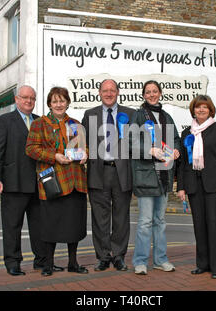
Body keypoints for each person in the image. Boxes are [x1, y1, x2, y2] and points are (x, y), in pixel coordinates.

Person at [25, 87, 89, 276]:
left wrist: (85, 154)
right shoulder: (39, 124)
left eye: (62, 101)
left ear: (67, 102)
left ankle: (73, 263)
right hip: (53, 181)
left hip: (75, 180)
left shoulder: (76, 124)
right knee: (50, 226)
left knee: (74, 225)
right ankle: (48, 264)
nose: (59, 104)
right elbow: (31, 149)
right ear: (49, 104)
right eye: (55, 101)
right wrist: (55, 156)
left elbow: (83, 148)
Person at [0, 85, 51, 276]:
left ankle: (41, 261)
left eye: (32, 98)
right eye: (25, 98)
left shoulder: (41, 121)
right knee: (12, 225)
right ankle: (12, 262)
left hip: (39, 183)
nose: (29, 101)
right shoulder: (4, 121)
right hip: (13, 182)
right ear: (16, 99)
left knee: (40, 225)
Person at [176, 95, 216, 279]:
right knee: (199, 226)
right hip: (194, 185)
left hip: (215, 186)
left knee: (214, 225)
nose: (201, 110)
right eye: (198, 107)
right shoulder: (187, 133)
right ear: (193, 110)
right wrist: (181, 187)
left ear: (210, 110)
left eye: (204, 107)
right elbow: (183, 163)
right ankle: (202, 264)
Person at [81, 79, 135, 272]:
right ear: (99, 92)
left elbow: (136, 144)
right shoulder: (89, 114)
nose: (109, 94)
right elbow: (83, 142)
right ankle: (103, 256)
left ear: (118, 92)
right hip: (98, 172)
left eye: (112, 90)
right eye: (105, 90)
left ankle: (119, 256)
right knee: (99, 217)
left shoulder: (130, 114)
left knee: (121, 217)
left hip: (122, 172)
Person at [130, 80, 181, 275]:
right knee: (145, 222)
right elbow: (130, 143)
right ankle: (140, 261)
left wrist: (176, 149)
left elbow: (175, 139)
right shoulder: (138, 116)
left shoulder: (167, 117)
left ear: (160, 93)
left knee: (160, 221)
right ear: (143, 95)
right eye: (148, 92)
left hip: (164, 175)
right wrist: (149, 150)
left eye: (155, 91)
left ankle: (160, 259)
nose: (152, 94)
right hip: (145, 176)